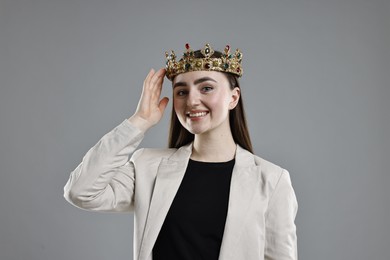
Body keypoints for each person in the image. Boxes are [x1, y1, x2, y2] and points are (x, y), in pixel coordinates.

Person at [64, 43, 298, 260]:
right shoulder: (148, 166)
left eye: (206, 88)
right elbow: (81, 191)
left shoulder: (272, 180)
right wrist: (140, 121)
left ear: (233, 98)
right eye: (182, 91)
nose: (192, 101)